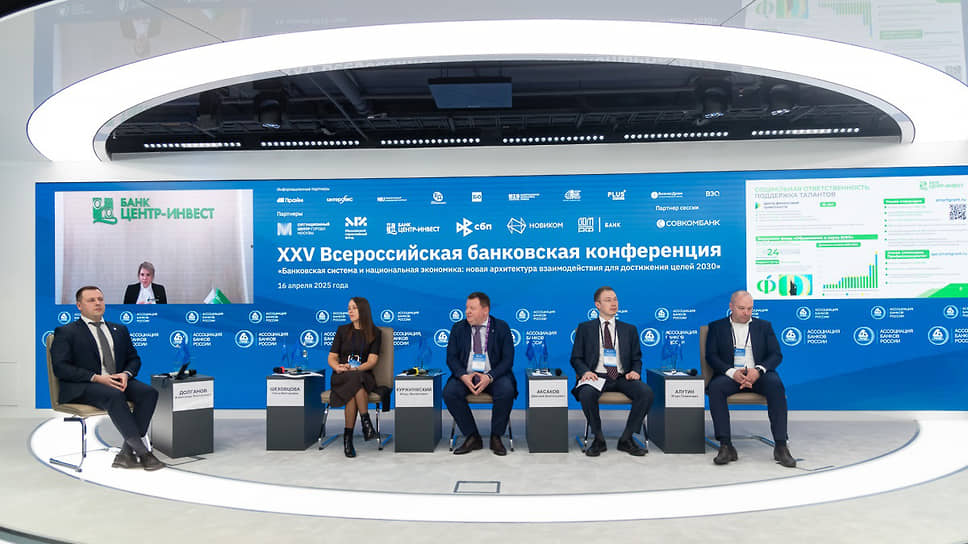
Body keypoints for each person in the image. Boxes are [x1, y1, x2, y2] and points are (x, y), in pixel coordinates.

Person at [50, 286, 163, 470]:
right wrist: (96, 378)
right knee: (114, 395)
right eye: (91, 300)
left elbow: (134, 359)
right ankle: (144, 454)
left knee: (149, 393)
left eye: (100, 299)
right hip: (84, 384)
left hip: (116, 381)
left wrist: (126, 374)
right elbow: (61, 368)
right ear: (79, 305)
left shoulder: (120, 329)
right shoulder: (66, 331)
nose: (98, 303)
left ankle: (126, 453)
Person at [705, 290, 796, 468]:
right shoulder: (716, 327)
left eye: (750, 308)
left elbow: (776, 355)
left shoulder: (764, 326)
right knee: (716, 388)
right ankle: (726, 446)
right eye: (741, 308)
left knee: (776, 385)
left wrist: (759, 370)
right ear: (731, 307)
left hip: (758, 374)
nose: (746, 312)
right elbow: (711, 356)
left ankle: (781, 446)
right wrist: (732, 372)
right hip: (732, 375)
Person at [571, 286, 653, 456]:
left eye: (615, 299)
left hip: (622, 377)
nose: (613, 303)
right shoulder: (585, 328)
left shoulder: (629, 329)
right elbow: (576, 358)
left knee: (646, 392)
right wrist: (585, 372)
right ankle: (598, 439)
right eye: (608, 300)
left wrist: (635, 371)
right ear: (598, 305)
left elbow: (637, 358)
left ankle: (627, 438)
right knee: (586, 393)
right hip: (596, 376)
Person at [444, 292, 516, 455]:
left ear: (485, 311)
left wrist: (489, 377)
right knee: (450, 393)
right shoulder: (458, 328)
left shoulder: (501, 327)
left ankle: (496, 436)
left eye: (472, 308)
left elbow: (508, 360)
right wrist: (463, 375)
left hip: (494, 376)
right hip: (466, 375)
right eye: (466, 308)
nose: (467, 312)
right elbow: (451, 358)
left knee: (506, 390)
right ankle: (472, 436)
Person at [328, 297, 382, 457]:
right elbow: (332, 357)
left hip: (363, 374)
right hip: (342, 375)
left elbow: (372, 361)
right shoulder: (342, 330)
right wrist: (337, 367)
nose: (350, 311)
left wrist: (356, 368)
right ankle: (366, 424)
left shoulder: (375, 333)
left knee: (355, 384)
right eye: (349, 308)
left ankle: (348, 439)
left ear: (363, 310)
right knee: (355, 382)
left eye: (354, 308)